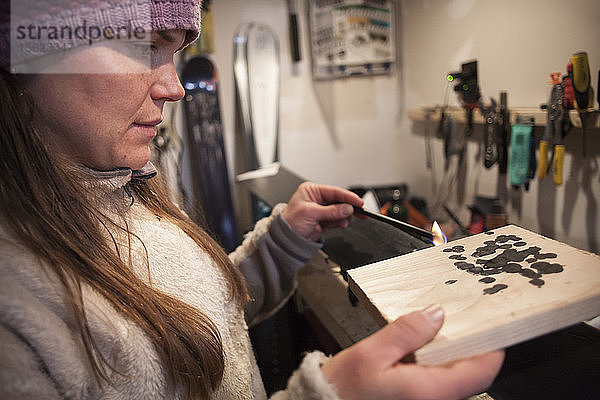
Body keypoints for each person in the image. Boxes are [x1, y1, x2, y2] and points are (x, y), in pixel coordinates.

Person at [0, 0, 504, 398]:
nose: (175, 87)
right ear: (26, 51)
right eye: (143, 46)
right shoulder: (15, 316)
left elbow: (200, 320)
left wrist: (280, 246)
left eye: (173, 50)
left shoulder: (128, 186)